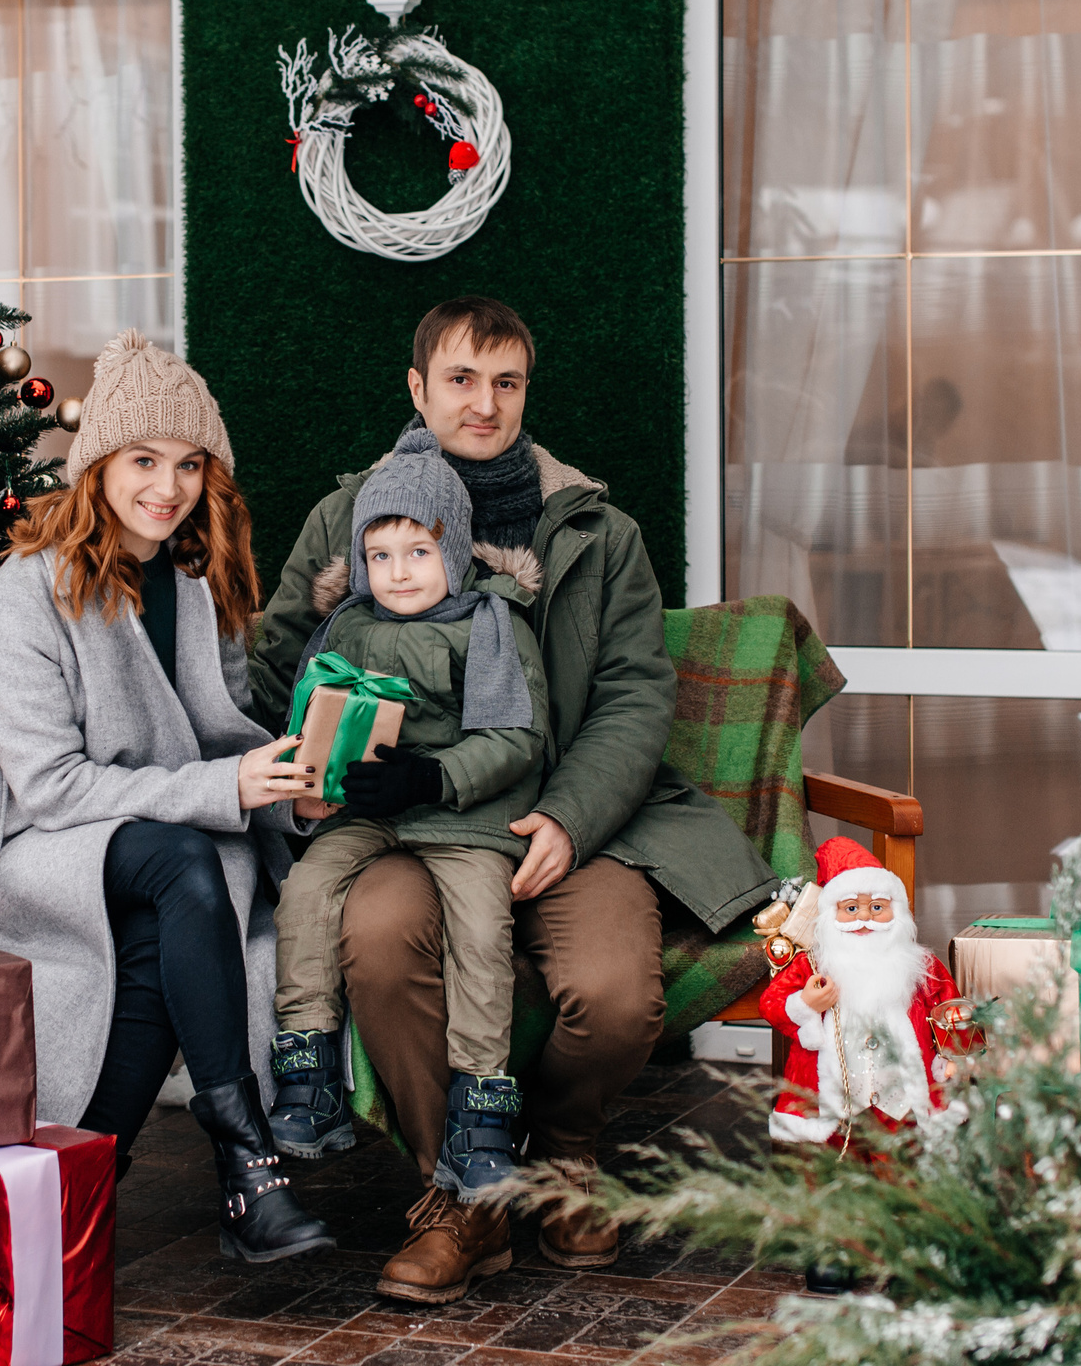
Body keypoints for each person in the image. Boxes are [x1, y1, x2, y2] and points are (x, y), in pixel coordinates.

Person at [250, 296, 778, 1305]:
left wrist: (571, 816)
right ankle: (463, 1195)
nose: (483, 404)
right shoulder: (347, 518)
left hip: (570, 825)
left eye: (506, 382)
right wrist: (316, 770)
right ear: (418, 388)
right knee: (376, 940)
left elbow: (633, 697)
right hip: (409, 825)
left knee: (615, 995)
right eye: (460, 379)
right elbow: (280, 667)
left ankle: (564, 1155)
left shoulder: (597, 530)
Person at [0, 330, 336, 1265]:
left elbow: (226, 741)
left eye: (189, 464)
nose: (169, 488)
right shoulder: (23, 595)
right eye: (144, 461)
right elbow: (51, 785)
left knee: (168, 924)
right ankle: (247, 1161)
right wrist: (224, 787)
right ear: (97, 466)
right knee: (184, 865)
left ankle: (78, 1201)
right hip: (51, 845)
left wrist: (289, 796)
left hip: (173, 850)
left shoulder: (195, 588)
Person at [266, 431, 553, 1196]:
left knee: (480, 930)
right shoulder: (346, 625)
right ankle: (308, 1070)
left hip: (462, 816)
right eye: (380, 554)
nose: (398, 572)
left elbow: (516, 736)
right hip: (367, 810)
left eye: (418, 552)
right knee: (306, 891)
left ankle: (480, 1109)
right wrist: (317, 778)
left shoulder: (489, 623)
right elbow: (311, 714)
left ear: (452, 552)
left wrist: (432, 776)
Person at [758, 837, 964, 1147]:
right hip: (834, 1099)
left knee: (899, 1158)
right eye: (851, 908)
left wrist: (953, 1054)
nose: (865, 917)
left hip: (902, 1098)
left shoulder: (920, 964)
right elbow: (771, 1004)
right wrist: (806, 1003)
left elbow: (951, 1008)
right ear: (831, 913)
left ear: (897, 911)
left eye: (877, 907)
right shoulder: (812, 964)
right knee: (835, 1162)